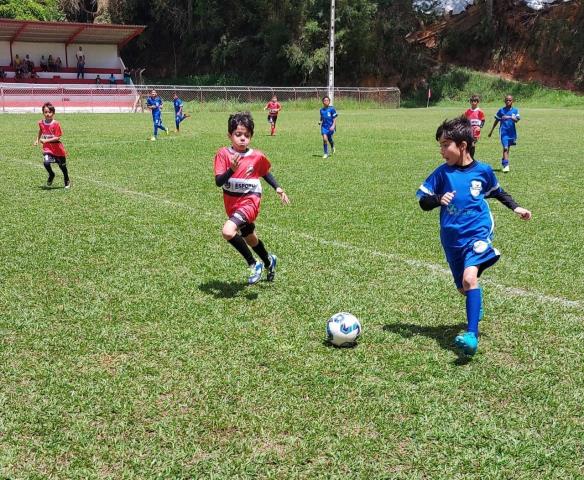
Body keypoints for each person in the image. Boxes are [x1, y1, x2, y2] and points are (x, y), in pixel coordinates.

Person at [416, 116, 531, 356]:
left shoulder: (483, 171)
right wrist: (438, 199)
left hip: (477, 231)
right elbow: (423, 202)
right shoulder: (441, 174)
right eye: (440, 145)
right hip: (451, 239)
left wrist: (516, 207)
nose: (441, 151)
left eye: (445, 145)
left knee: (470, 279)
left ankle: (472, 334)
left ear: (463, 145)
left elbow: (498, 192)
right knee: (464, 288)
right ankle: (474, 307)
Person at [214, 112, 290, 285]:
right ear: (229, 135)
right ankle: (269, 261)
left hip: (250, 202)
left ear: (251, 136)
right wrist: (231, 170)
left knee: (227, 231)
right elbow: (219, 182)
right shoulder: (223, 154)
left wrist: (277, 187)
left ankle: (254, 264)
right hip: (232, 204)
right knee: (250, 238)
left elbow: (265, 172)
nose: (242, 139)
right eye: (238, 134)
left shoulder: (256, 156)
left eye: (246, 135)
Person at [33, 102, 71, 189]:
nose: (48, 114)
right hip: (47, 148)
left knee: (62, 167)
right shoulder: (41, 123)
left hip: (57, 148)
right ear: (43, 113)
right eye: (45, 112)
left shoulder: (56, 124)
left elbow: (57, 137)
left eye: (50, 112)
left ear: (53, 113)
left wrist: (46, 140)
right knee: (46, 162)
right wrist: (37, 140)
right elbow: (41, 130)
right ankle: (51, 174)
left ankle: (66, 179)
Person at [488, 95, 520, 173]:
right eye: (506, 100)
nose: (508, 101)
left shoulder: (515, 110)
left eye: (510, 100)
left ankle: (504, 161)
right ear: (504, 101)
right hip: (503, 132)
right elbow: (497, 120)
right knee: (505, 147)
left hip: (512, 133)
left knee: (508, 148)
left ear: (512, 101)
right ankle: (506, 165)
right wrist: (491, 130)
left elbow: (517, 120)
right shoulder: (501, 110)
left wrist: (511, 117)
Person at [464, 94, 485, 159]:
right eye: (472, 101)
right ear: (470, 102)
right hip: (469, 129)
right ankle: (469, 158)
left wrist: (480, 127)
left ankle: (471, 158)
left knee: (472, 144)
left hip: (476, 130)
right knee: (470, 144)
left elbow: (483, 120)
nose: (473, 102)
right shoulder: (467, 111)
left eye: (475, 101)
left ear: (478, 102)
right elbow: (464, 119)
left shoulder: (480, 111)